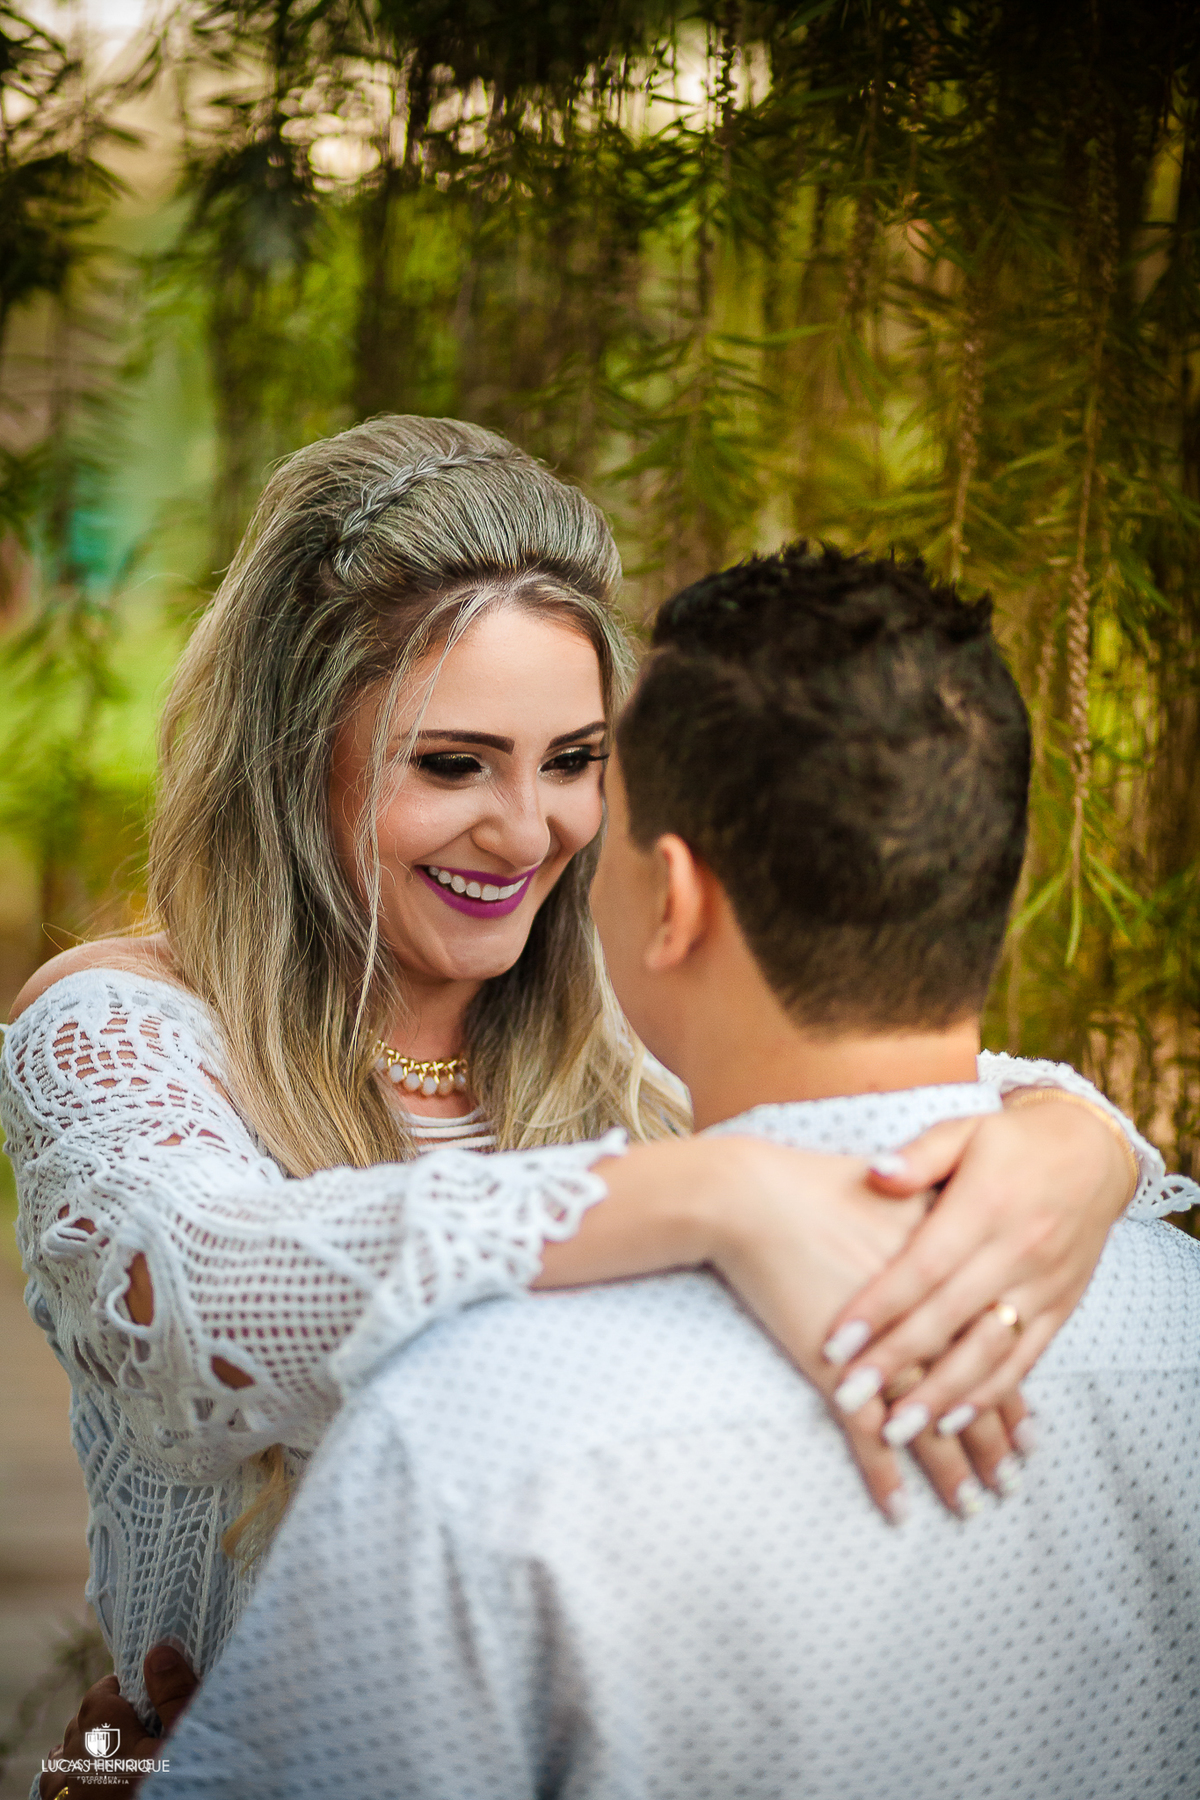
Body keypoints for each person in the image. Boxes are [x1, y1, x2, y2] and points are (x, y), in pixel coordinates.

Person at [2, 418, 1167, 1775]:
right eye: (451, 764)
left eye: (573, 762)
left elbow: (891, 1078)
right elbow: (182, 1302)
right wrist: (710, 1190)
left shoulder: (623, 1011)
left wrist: (1081, 1143)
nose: (528, 831)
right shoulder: (128, 1024)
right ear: (289, 755)